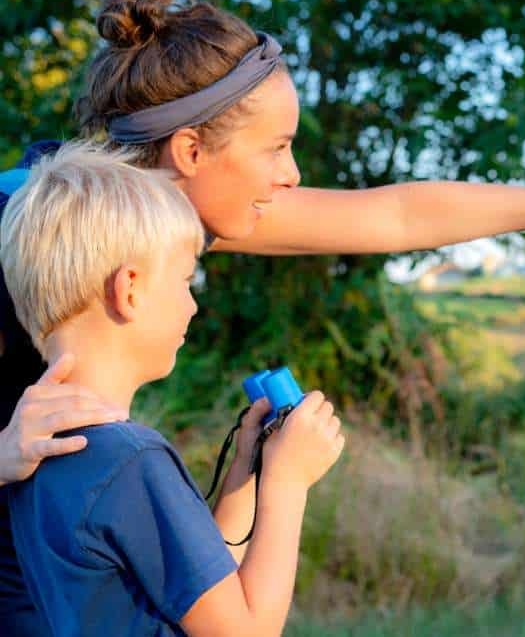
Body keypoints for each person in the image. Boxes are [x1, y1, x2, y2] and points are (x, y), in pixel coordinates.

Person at [0, 0, 525, 631]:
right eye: (276, 148)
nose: (292, 174)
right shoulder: (23, 227)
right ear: (190, 152)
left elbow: (396, 217)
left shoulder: (149, 222)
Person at [1, 140, 345, 636]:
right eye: (186, 281)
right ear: (130, 289)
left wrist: (247, 472)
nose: (193, 305)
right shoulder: (132, 461)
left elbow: (204, 593)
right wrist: (287, 483)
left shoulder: (37, 453)